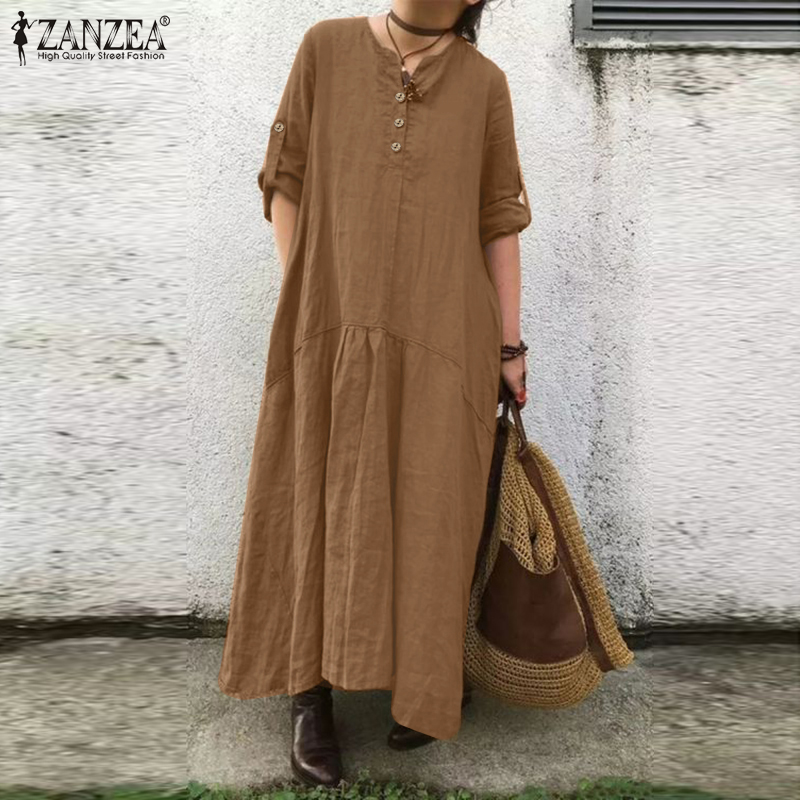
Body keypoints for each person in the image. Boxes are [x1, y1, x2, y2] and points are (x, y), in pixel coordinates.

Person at [218, 0, 532, 787]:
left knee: (432, 508)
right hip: (331, 323)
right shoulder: (324, 49)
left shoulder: (485, 83)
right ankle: (308, 698)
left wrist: (510, 345)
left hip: (445, 334)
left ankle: (423, 687)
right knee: (310, 497)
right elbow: (284, 179)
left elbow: (498, 219)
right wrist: (309, 290)